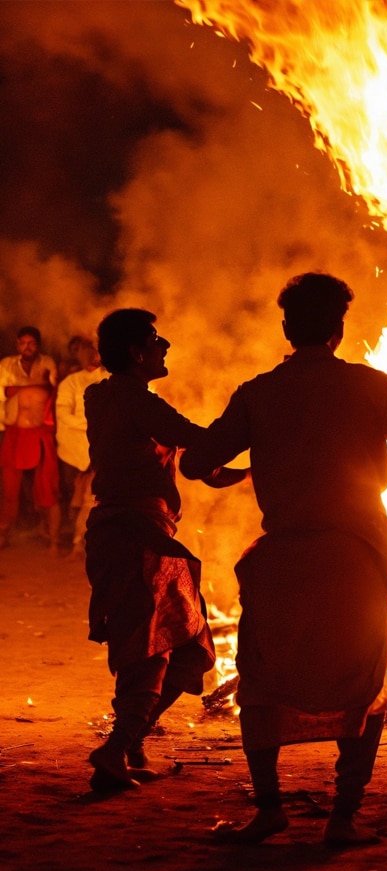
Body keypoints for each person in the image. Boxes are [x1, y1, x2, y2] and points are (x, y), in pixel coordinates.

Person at [179, 272, 387, 846]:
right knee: (362, 682)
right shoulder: (371, 386)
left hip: (284, 561)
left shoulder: (257, 393)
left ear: (287, 327)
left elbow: (194, 463)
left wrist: (235, 466)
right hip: (357, 558)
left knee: (262, 681)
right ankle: (343, 818)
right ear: (338, 329)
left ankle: (269, 809)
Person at [84, 309, 244, 790]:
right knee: (155, 644)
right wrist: (262, 430)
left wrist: (240, 471)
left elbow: (197, 461)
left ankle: (130, 742)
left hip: (115, 531)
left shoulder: (101, 395)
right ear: (137, 353)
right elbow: (200, 441)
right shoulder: (137, 400)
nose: (165, 345)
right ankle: (116, 750)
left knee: (174, 645)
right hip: (140, 536)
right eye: (156, 340)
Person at [0, 326, 60, 551]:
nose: (27, 347)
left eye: (32, 343)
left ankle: (52, 537)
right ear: (17, 345)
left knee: (47, 486)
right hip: (14, 432)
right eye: (23, 343)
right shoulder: (6, 365)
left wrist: (21, 387)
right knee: (9, 489)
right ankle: (4, 533)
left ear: (38, 345)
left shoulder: (47, 364)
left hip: (40, 433)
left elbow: (54, 392)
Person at [56, 337, 107, 555]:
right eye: (87, 352)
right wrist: (90, 423)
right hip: (74, 450)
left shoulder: (109, 379)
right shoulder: (71, 382)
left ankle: (81, 543)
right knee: (75, 498)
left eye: (95, 352)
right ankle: (76, 540)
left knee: (92, 497)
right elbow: (63, 414)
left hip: (101, 448)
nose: (91, 357)